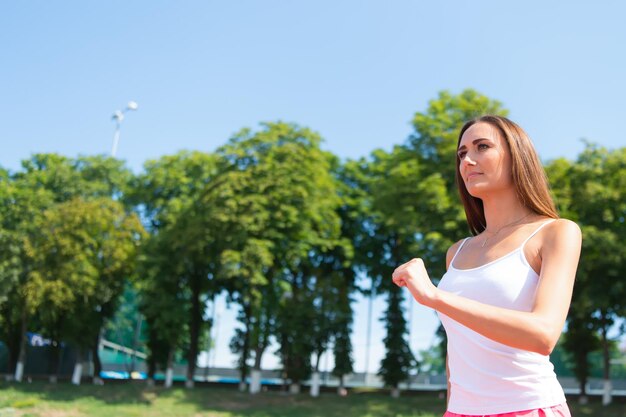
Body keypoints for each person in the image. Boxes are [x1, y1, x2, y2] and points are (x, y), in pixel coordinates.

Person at [392, 115, 581, 417]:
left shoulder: (556, 232)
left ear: (517, 156)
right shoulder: (457, 252)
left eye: (482, 147)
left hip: (528, 408)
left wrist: (434, 296)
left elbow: (543, 335)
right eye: (462, 153)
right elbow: (459, 352)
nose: (467, 160)